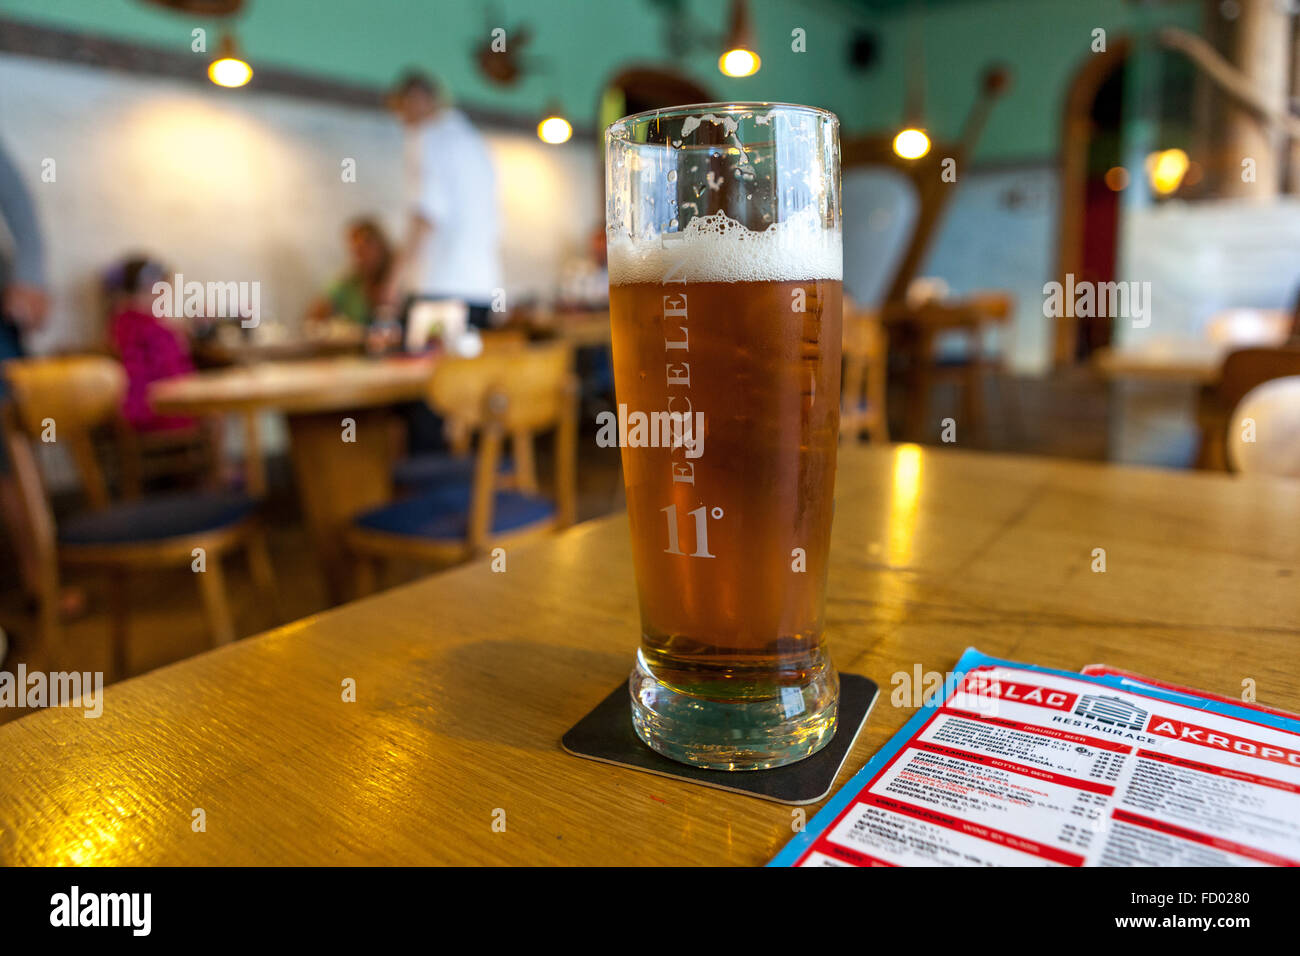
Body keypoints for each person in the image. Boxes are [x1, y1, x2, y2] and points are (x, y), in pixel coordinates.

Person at [385, 70, 503, 331]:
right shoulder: (475, 142)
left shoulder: (428, 137)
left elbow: (426, 213)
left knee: (427, 369)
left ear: (417, 99)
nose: (402, 121)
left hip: (439, 288)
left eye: (402, 111)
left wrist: (394, 281)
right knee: (469, 371)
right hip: (482, 290)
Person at [103, 255, 197, 433]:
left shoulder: (120, 324)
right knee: (213, 414)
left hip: (137, 409)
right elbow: (172, 373)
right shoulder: (152, 330)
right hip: (156, 408)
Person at [305, 218, 394, 326]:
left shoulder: (396, 278)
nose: (360, 258)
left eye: (365, 249)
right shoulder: (349, 282)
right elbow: (316, 311)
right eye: (356, 252)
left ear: (380, 246)